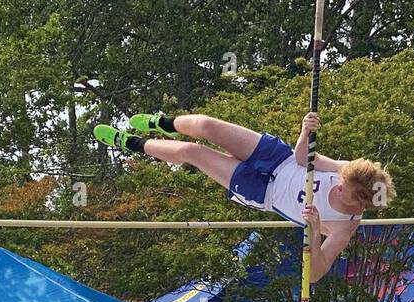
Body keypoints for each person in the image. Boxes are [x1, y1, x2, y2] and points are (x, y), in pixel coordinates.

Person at [94, 111, 395, 282]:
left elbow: (315, 274)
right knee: (207, 126)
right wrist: (305, 131)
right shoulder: (348, 170)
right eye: (342, 182)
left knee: (192, 153)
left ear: (361, 202)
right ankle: (165, 123)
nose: (338, 187)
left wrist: (315, 234)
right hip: (279, 158)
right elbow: (304, 158)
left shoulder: (344, 226)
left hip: (262, 191)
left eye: (345, 192)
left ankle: (131, 143)